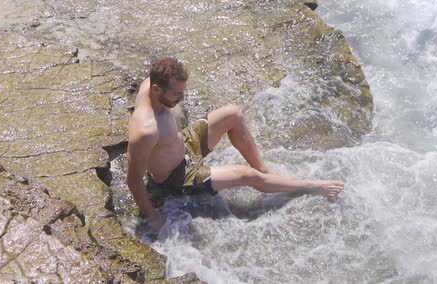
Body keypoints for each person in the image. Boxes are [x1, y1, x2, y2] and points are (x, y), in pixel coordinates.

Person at [127, 57, 344, 230]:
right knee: (246, 175)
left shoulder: (151, 82)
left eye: (183, 92)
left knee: (233, 114)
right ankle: (311, 186)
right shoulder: (146, 129)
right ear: (156, 90)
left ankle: (264, 168)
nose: (181, 98)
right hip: (177, 177)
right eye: (176, 94)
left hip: (183, 144)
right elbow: (133, 179)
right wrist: (154, 217)